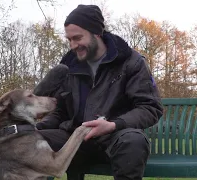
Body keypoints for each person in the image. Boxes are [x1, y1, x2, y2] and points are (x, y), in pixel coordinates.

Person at [35, 4, 163, 180]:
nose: (73, 45)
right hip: (74, 138)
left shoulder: (131, 62)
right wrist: (35, 127)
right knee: (26, 140)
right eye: (69, 39)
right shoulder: (68, 67)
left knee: (133, 141)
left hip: (116, 137)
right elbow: (60, 111)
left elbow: (150, 108)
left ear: (97, 33)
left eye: (77, 38)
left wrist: (113, 125)